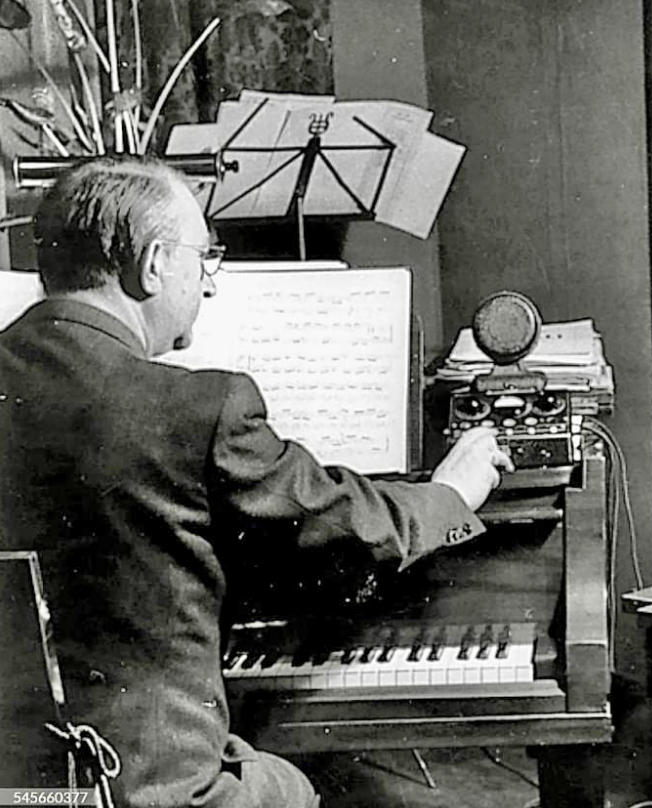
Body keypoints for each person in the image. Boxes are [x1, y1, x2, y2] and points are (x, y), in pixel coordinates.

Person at [0, 155, 514, 807]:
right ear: (154, 263)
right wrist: (451, 492)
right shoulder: (194, 411)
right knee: (330, 788)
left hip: (25, 791)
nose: (209, 286)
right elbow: (349, 530)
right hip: (150, 793)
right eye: (204, 259)